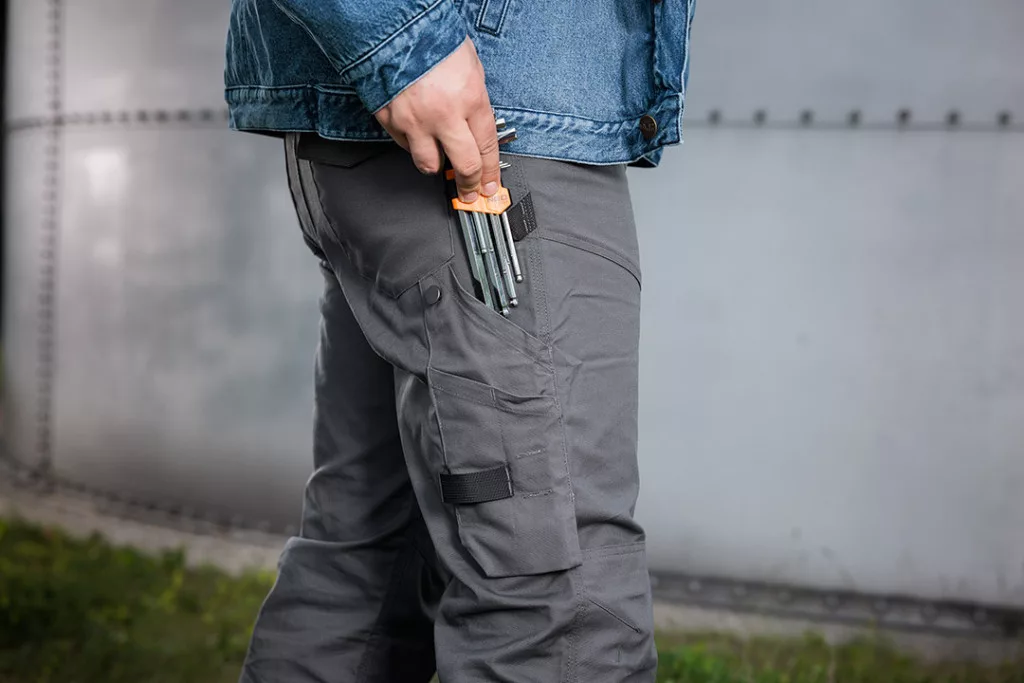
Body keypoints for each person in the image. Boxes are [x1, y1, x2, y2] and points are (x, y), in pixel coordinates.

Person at [225, 1, 695, 680]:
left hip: (436, 123)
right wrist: (405, 41)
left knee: (371, 570)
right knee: (559, 612)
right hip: (480, 130)